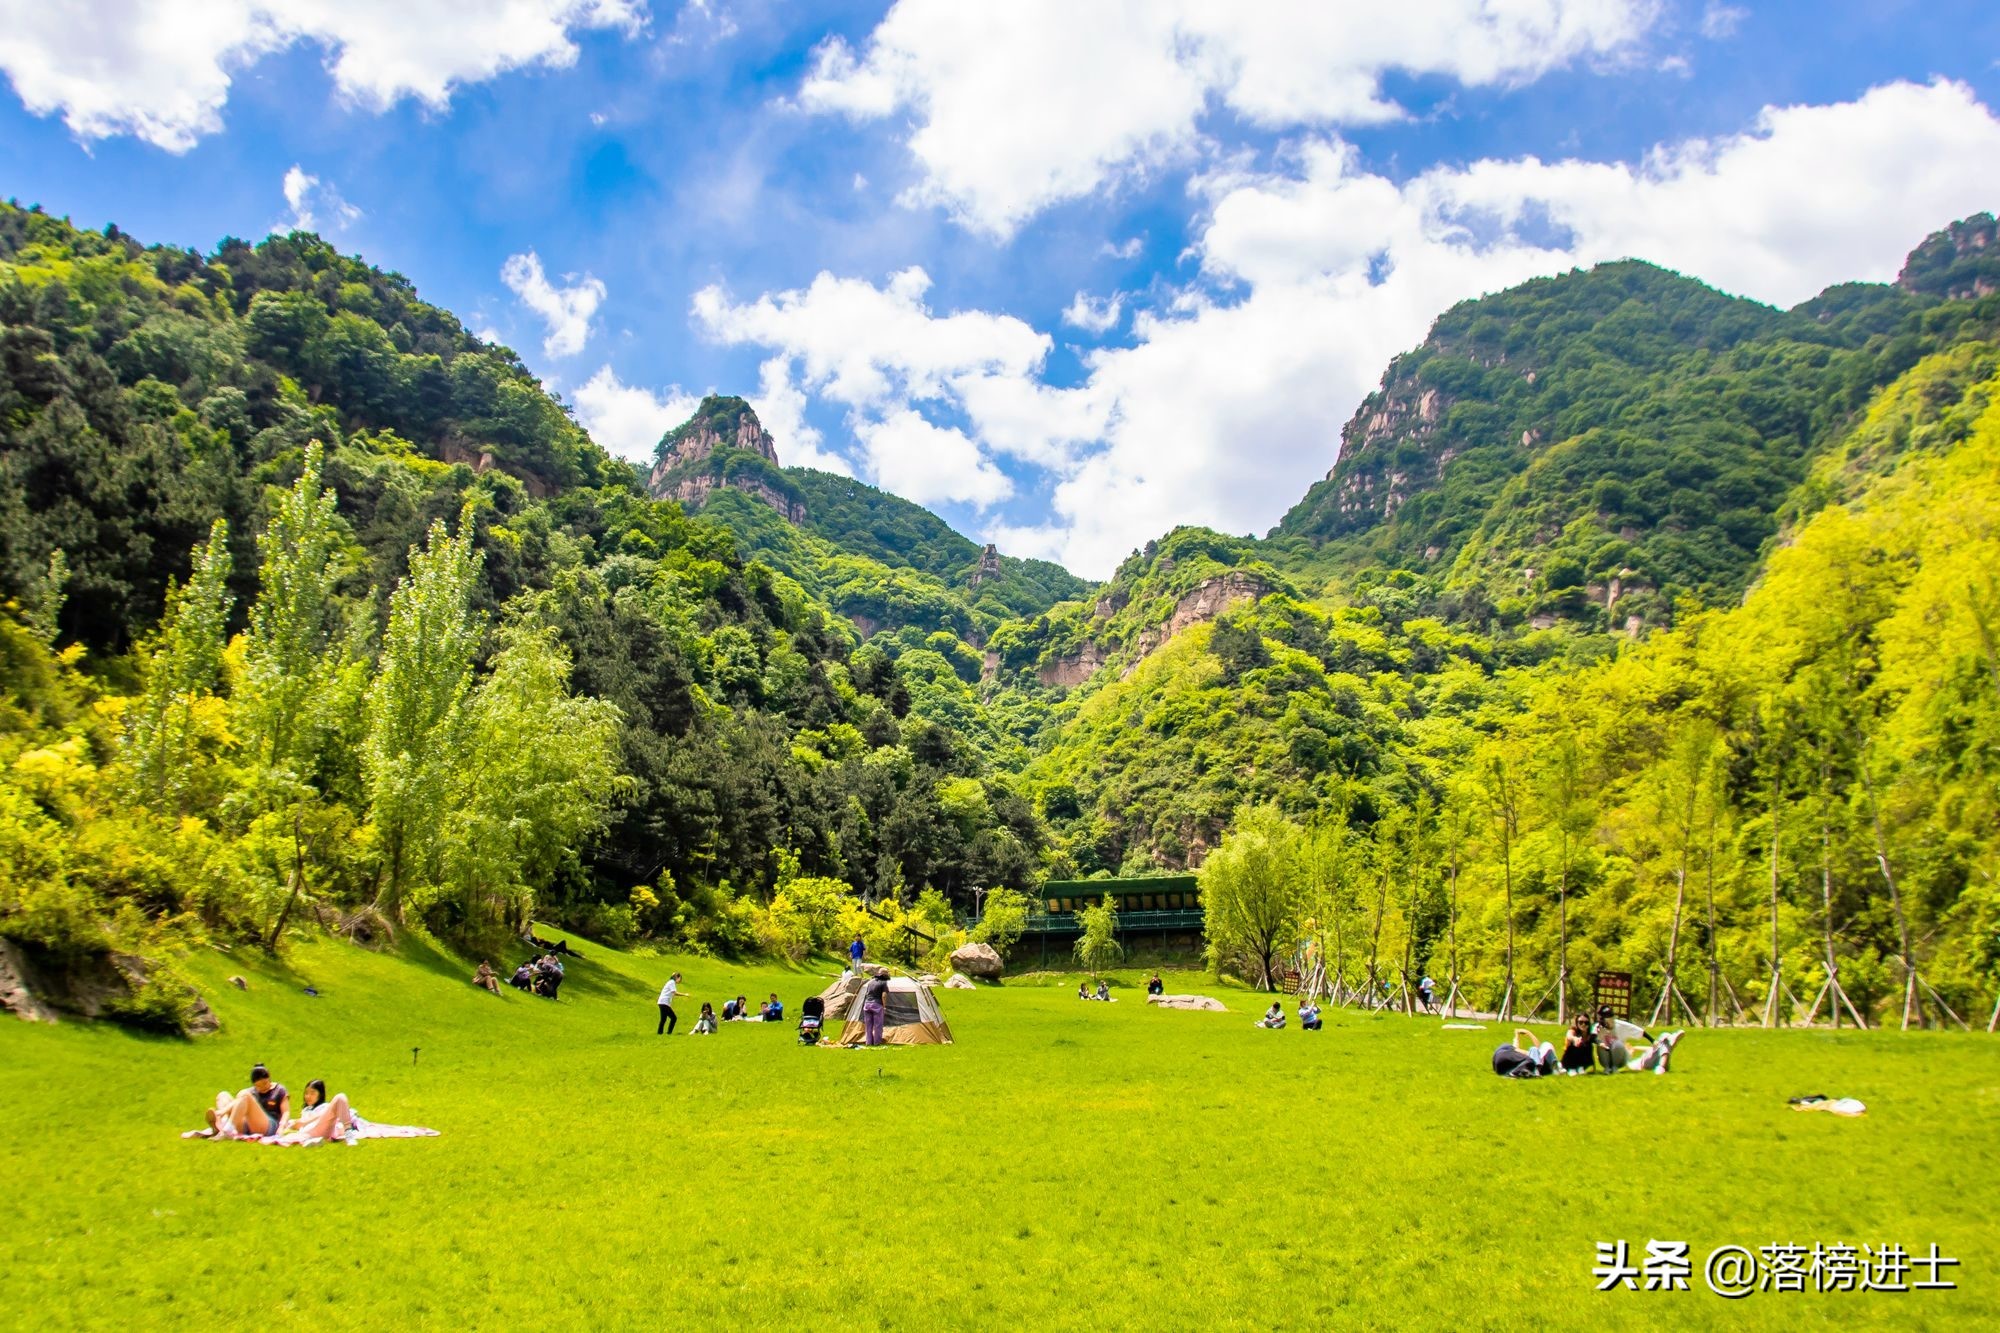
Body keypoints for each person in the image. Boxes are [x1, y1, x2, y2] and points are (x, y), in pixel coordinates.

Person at [205, 1064, 290, 1138]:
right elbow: (238, 1101)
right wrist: (225, 1111)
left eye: (265, 1083)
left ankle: (226, 1128)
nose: (262, 1088)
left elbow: (286, 1112)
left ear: (269, 1079)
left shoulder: (279, 1090)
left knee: (244, 1095)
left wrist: (282, 1126)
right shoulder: (252, 1091)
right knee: (223, 1095)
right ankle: (221, 1125)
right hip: (248, 1125)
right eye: (258, 1086)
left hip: (269, 1125)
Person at [279, 1079, 357, 1143]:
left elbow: (308, 1120)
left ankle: (348, 1134)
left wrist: (304, 1122)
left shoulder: (325, 1107)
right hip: (309, 1132)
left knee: (340, 1096)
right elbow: (299, 1124)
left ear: (320, 1095)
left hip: (319, 1129)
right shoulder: (306, 1109)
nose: (308, 1096)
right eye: (306, 1093)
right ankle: (313, 1141)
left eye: (312, 1093)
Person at [1492, 1029, 1558, 1078]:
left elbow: (1516, 1049)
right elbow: (1516, 1049)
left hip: (1499, 1064)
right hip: (1533, 1064)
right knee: (1534, 1050)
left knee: (1534, 1049)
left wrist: (1528, 1033)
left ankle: (1553, 1067)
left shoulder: (1533, 1055)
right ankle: (1537, 1070)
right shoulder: (1530, 1056)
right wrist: (1521, 1035)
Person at [861, 967, 891, 1047]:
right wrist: (884, 1006)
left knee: (868, 1025)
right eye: (887, 973)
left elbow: (867, 993)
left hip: (867, 1004)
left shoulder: (870, 982)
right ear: (884, 974)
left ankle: (868, 1042)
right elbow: (884, 995)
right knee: (878, 1025)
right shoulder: (883, 982)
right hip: (877, 1005)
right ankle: (877, 1042)